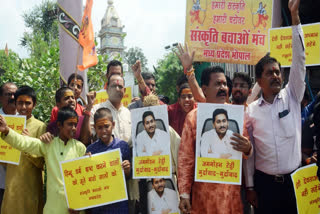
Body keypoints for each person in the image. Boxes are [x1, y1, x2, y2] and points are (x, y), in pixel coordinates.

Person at [244, 1, 305, 213]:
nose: (276, 76)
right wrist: (250, 187)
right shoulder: (250, 112)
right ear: (259, 81)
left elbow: (299, 60)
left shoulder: (293, 95)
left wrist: (294, 16)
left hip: (293, 184)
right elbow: (249, 154)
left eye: (278, 72)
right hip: (265, 187)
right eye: (269, 73)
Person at [178, 66, 251, 214]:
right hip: (204, 198)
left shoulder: (236, 115)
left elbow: (245, 153)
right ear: (205, 89)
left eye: (224, 84)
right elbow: (186, 159)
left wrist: (248, 148)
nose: (223, 88)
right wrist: (184, 193)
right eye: (218, 84)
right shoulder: (193, 118)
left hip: (231, 197)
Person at [0, 107, 87, 214]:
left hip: (74, 209)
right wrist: (7, 131)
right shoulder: (48, 145)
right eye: (70, 124)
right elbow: (24, 143)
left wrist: (80, 207)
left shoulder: (80, 148)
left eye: (75, 124)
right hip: (53, 209)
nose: (74, 128)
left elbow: (84, 181)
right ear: (59, 125)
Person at [1, 86, 46, 214]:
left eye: (28, 103)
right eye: (20, 103)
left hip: (30, 185)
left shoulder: (40, 127)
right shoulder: (8, 124)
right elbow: (5, 162)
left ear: (34, 104)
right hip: (11, 185)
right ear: (15, 103)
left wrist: (27, 143)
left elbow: (41, 163)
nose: (23, 107)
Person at [86, 108, 131, 214]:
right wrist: (86, 163)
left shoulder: (122, 146)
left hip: (119, 204)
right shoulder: (91, 150)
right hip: (99, 205)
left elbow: (128, 177)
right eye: (99, 128)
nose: (104, 131)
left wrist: (127, 169)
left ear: (113, 124)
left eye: (107, 126)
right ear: (94, 128)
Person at [0, 82, 17, 211]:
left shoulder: (26, 120)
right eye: (8, 94)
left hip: (18, 183)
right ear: (0, 98)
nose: (12, 97)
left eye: (15, 94)